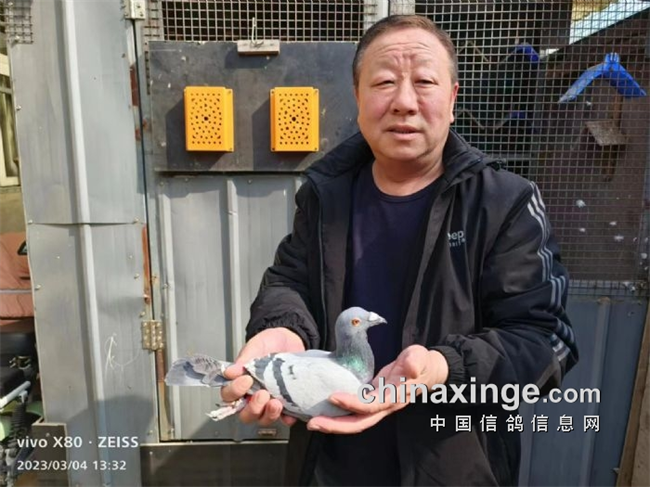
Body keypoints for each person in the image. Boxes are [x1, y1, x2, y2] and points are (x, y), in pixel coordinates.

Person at [222, 15, 578, 487]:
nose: (404, 102)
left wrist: (442, 367)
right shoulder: (325, 194)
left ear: (452, 99)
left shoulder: (504, 203)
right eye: (385, 82)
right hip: (329, 464)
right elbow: (290, 282)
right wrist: (283, 330)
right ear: (358, 98)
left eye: (425, 82)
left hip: (455, 468)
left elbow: (545, 341)